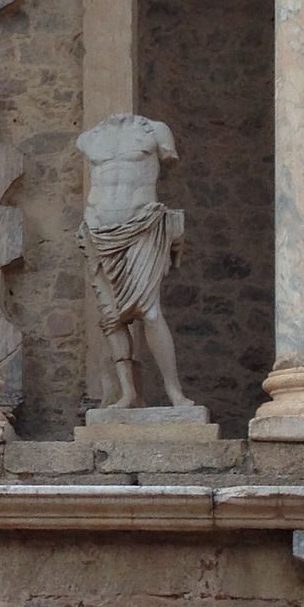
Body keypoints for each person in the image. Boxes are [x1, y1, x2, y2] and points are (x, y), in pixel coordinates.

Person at [77, 113, 193, 409]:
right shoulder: (89, 138)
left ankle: (174, 392)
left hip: (142, 224)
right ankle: (128, 393)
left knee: (150, 311)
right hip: (98, 229)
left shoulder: (156, 130)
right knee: (112, 320)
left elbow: (169, 160)